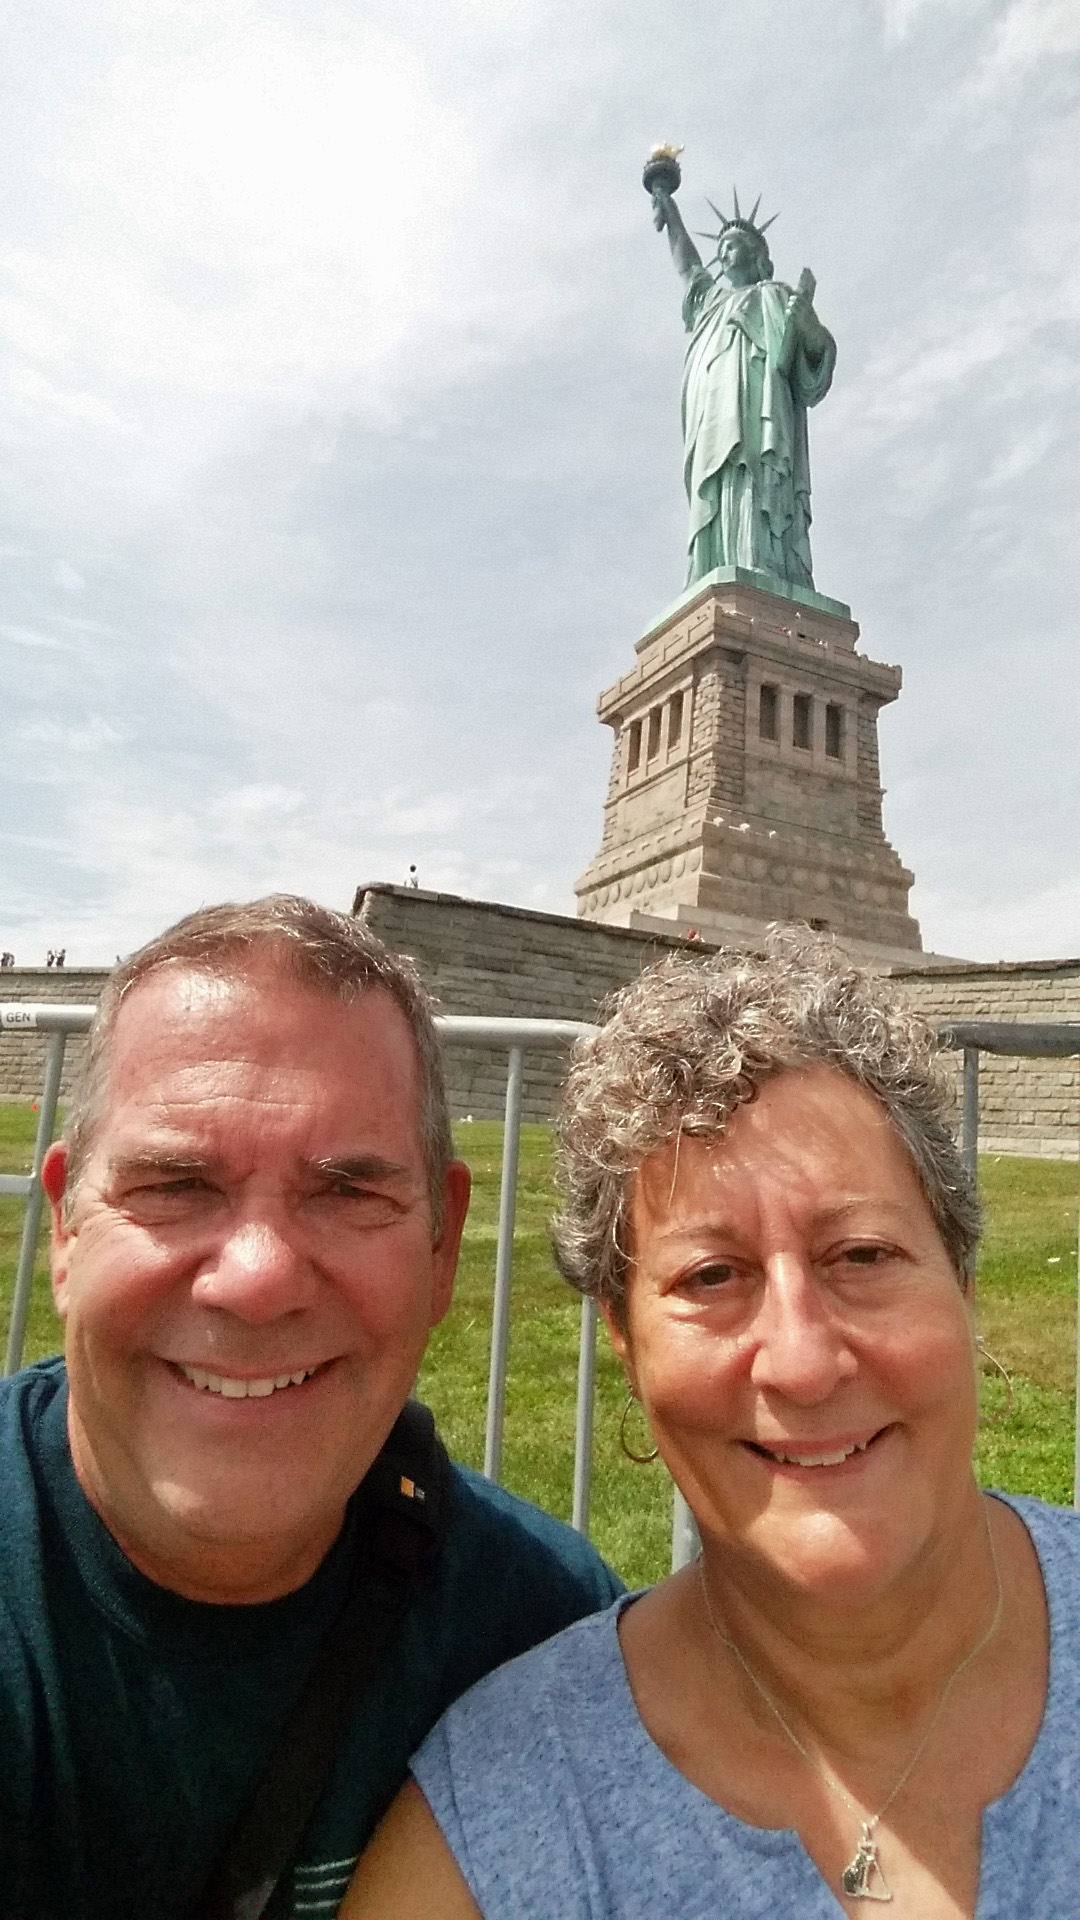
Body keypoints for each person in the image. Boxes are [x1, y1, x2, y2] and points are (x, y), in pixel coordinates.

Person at [344, 932, 1078, 1918]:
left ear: (962, 1283)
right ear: (625, 1340)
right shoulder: (498, 1829)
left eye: (863, 1254)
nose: (802, 1361)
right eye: (712, 1276)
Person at [0, 894, 621, 1919]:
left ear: (441, 1249)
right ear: (65, 1229)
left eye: (347, 1194)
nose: (256, 1280)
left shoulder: (549, 1637)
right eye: (175, 1184)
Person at [651, 179, 835, 591]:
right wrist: (669, 209)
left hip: (759, 410)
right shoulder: (710, 304)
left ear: (758, 257)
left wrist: (809, 327)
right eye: (720, 248)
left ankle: (762, 561)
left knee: (754, 475)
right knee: (718, 483)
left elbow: (813, 363)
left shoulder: (775, 295)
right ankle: (713, 564)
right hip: (712, 418)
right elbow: (688, 266)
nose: (723, 254)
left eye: (733, 246)